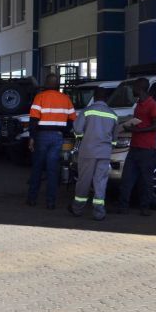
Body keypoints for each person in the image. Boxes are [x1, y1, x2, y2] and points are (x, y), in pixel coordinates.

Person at [27, 73, 77, 209]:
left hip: (41, 136)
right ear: (57, 84)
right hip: (57, 137)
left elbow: (33, 120)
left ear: (47, 84)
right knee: (53, 170)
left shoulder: (40, 97)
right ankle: (51, 202)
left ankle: (32, 199)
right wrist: (64, 130)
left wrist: (32, 137)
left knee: (37, 168)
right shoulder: (65, 99)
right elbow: (73, 119)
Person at [69, 86, 119, 220]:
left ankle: (77, 209)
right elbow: (114, 139)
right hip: (104, 153)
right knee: (101, 181)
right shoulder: (113, 114)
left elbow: (78, 130)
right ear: (106, 98)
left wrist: (82, 136)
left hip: (88, 152)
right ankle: (99, 212)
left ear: (95, 97)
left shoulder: (87, 112)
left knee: (84, 180)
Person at [116, 78, 156, 215]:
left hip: (147, 149)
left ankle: (145, 208)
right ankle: (123, 207)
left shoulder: (152, 104)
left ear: (140, 88)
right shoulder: (139, 104)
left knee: (145, 181)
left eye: (134, 87)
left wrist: (137, 130)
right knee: (127, 179)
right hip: (135, 147)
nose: (132, 90)